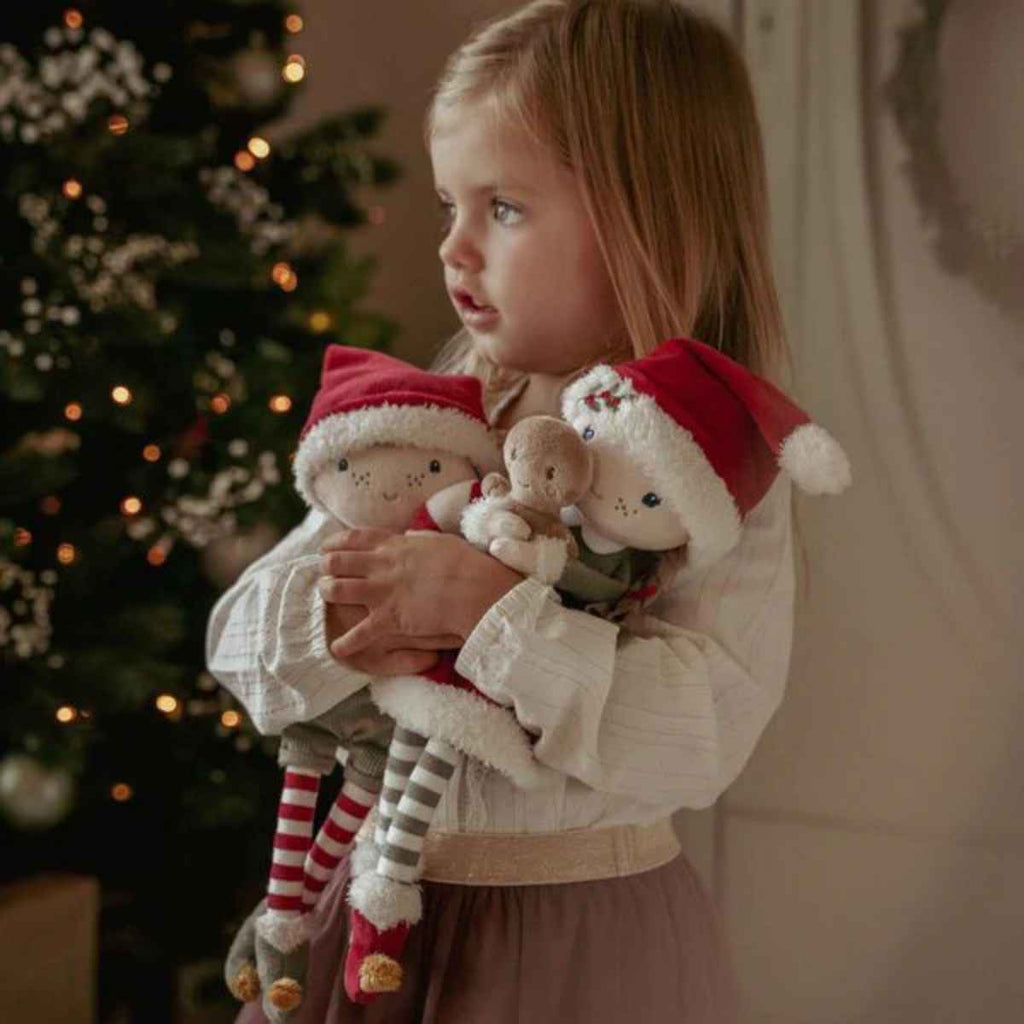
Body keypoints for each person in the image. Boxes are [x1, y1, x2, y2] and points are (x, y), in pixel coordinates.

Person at [207, 2, 799, 1020]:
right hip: (372, 911)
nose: (455, 250)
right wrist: (347, 616)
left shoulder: (708, 466)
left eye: (503, 209)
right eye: (449, 206)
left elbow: (703, 732)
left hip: (579, 938)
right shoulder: (444, 415)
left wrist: (492, 621)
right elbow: (243, 644)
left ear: (640, 217)